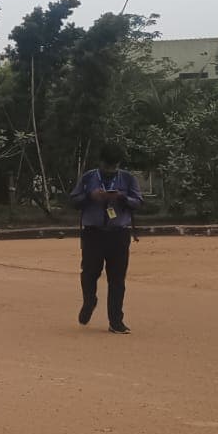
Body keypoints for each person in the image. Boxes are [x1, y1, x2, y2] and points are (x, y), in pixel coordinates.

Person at [68, 143, 144, 334]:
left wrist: (122, 198)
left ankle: (116, 321)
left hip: (118, 234)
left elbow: (139, 202)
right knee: (89, 273)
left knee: (117, 279)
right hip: (93, 233)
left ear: (118, 163)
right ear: (100, 162)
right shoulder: (88, 178)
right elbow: (74, 201)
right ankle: (89, 300)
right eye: (106, 166)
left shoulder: (127, 178)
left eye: (113, 166)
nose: (110, 170)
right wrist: (90, 197)